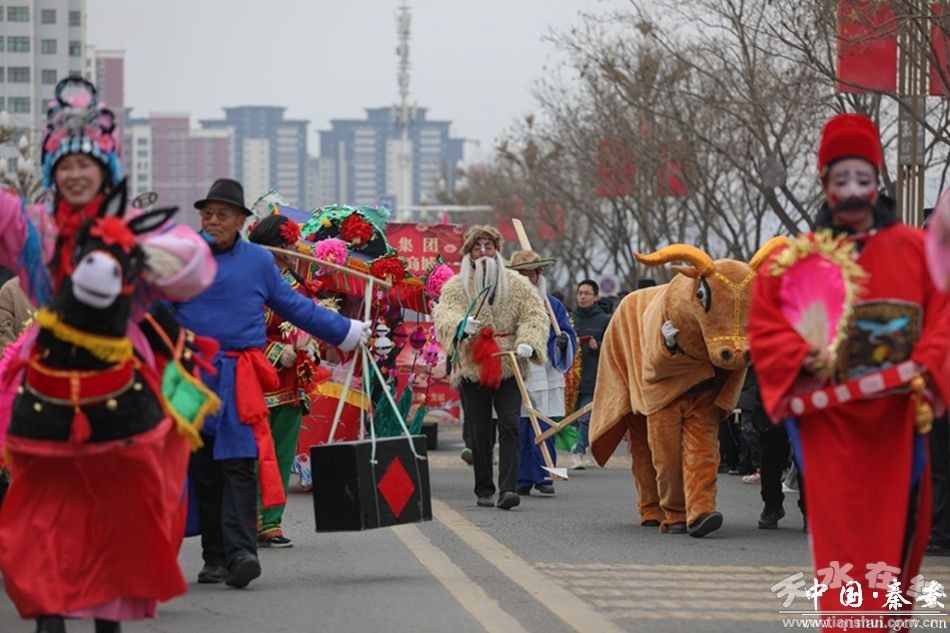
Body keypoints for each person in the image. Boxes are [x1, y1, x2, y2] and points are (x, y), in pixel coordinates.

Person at [0, 77, 215, 633]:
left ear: (106, 170)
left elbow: (193, 263)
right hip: (46, 378)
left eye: (86, 165)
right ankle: (48, 610)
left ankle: (108, 616)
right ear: (53, 173)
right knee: (39, 510)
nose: (75, 174)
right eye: (66, 165)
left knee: (120, 510)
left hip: (121, 375)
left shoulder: (133, 230)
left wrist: (132, 252)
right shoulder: (38, 230)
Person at [748, 113, 950, 624]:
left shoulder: (914, 249)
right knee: (842, 551)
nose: (854, 190)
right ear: (824, 183)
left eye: (863, 177)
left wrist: (927, 371)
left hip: (899, 426)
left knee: (898, 546)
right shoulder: (795, 262)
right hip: (830, 429)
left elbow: (944, 318)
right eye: (842, 178)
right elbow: (766, 328)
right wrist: (801, 354)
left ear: (878, 181)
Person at [173, 178, 370, 589]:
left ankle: (242, 553)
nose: (213, 221)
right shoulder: (182, 258)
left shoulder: (258, 263)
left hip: (240, 378)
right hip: (192, 378)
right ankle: (214, 558)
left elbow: (297, 307)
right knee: (204, 470)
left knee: (240, 464)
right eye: (207, 214)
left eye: (222, 214)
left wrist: (345, 331)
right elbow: (152, 307)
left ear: (241, 221)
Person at [432, 225, 549, 510]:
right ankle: (484, 488)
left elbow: (534, 314)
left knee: (510, 424)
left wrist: (528, 341)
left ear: (497, 251)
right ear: (469, 254)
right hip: (473, 365)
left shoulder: (518, 284)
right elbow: (444, 313)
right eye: (477, 248)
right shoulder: (456, 286)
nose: (483, 252)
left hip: (509, 362)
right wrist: (460, 325)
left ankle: (508, 489)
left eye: (488, 247)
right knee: (480, 430)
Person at [247, 215, 321, 548]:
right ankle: (247, 519)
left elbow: (312, 320)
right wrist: (278, 351)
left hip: (291, 383)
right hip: (255, 378)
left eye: (293, 242)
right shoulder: (250, 284)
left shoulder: (299, 285)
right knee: (252, 453)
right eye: (287, 243)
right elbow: (241, 331)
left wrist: (311, 342)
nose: (294, 248)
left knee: (281, 452)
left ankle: (271, 523)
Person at [507, 250, 576, 496]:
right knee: (521, 426)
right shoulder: (507, 304)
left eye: (531, 274)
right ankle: (522, 477)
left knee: (545, 425)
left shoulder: (553, 305)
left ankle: (545, 474)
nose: (528, 279)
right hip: (520, 368)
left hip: (546, 371)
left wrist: (563, 342)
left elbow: (566, 332)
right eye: (522, 274)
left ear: (539, 275)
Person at [569, 279, 611, 470]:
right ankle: (580, 446)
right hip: (571, 378)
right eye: (580, 293)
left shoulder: (603, 320)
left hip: (593, 376)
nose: (582, 297)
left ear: (595, 297)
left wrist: (598, 346)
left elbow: (612, 348)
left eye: (587, 293)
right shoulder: (570, 318)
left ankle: (578, 452)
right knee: (572, 419)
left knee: (585, 417)